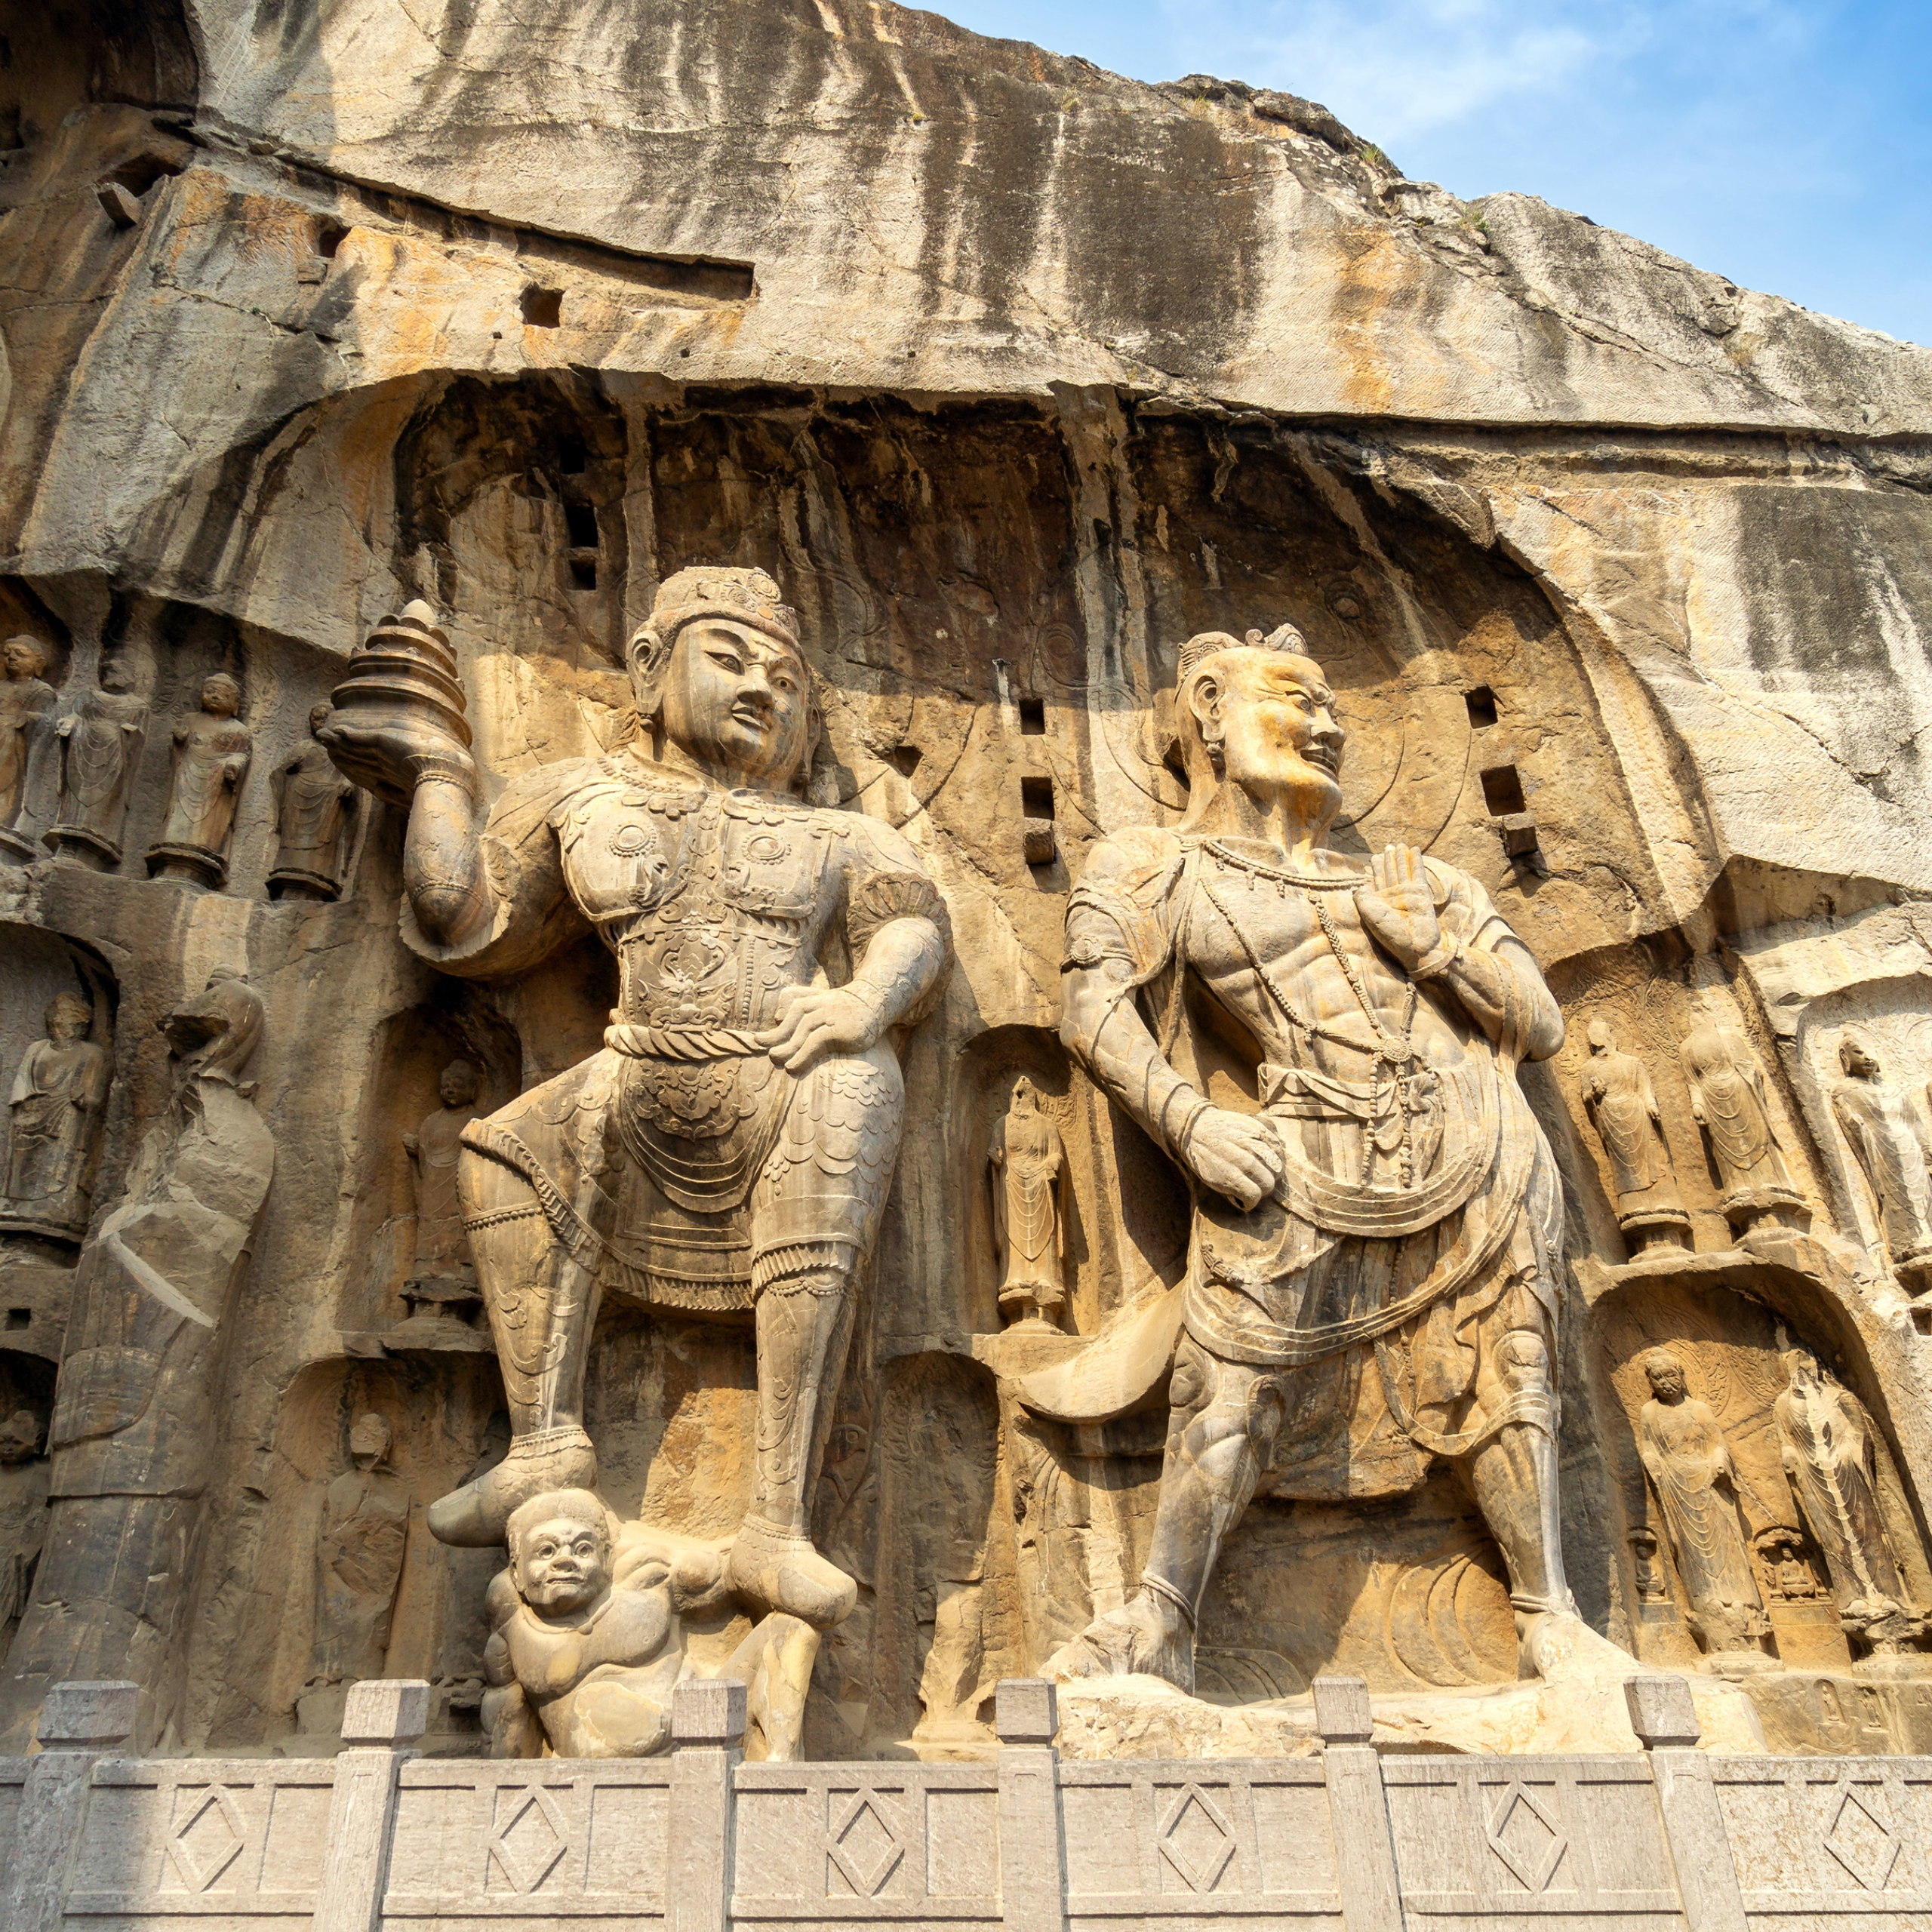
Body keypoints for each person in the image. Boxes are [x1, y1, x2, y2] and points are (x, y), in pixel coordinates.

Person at [318, 570, 952, 1629]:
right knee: (506, 1148)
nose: (765, 688)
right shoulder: (580, 799)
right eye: (733, 660)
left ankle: (778, 1522)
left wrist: (860, 1004)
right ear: (652, 670)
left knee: (856, 1086)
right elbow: (463, 910)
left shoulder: (840, 834)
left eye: (788, 679)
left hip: (788, 1079)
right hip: (638, 1077)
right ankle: (542, 1442)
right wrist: (435, 769)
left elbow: (912, 929)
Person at [1031, 623, 1604, 1689]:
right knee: (1231, 1377)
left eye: (1334, 709)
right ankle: (1163, 1615)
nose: (1328, 726)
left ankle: (1550, 1612)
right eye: (1298, 700)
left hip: (1474, 1135)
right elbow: (1091, 1012)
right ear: (1209, 706)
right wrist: (1190, 1120)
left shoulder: (1418, 877)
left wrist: (1426, 942)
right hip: (1298, 1138)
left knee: (1511, 1372)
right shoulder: (1151, 865)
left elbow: (1539, 1023)